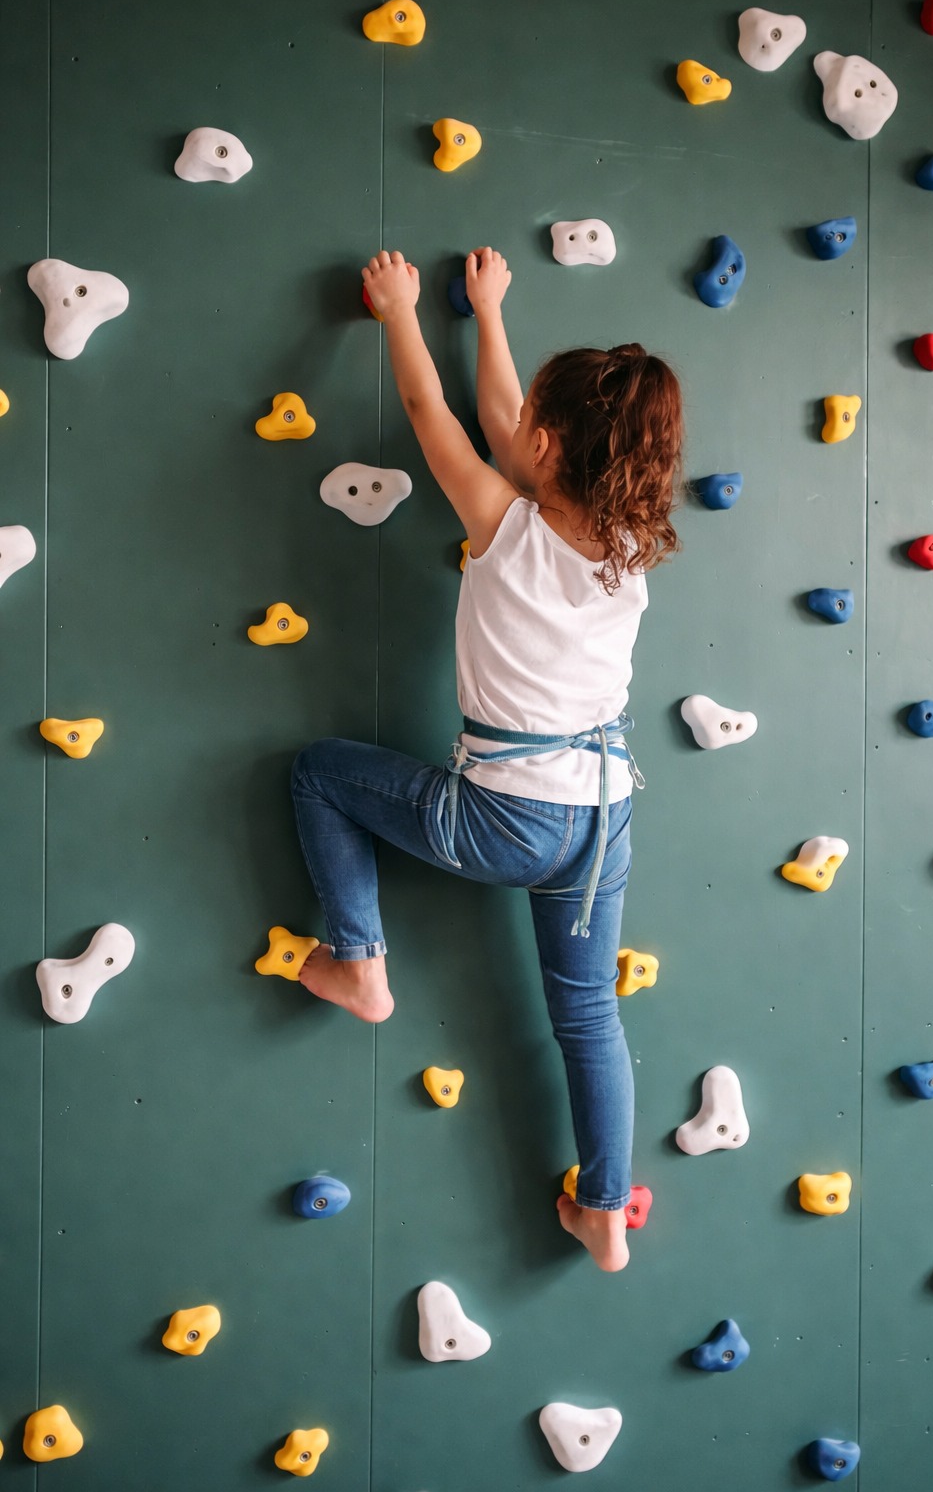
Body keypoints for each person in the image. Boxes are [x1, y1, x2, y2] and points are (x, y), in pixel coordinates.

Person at [290, 247, 684, 1271]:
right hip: (602, 818)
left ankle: (360, 963)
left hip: (508, 818)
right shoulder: (627, 552)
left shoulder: (504, 526)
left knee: (320, 772)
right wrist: (490, 313)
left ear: (544, 447)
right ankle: (604, 1211)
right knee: (587, 1015)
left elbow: (436, 413)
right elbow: (511, 424)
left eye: (530, 430)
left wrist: (399, 311)